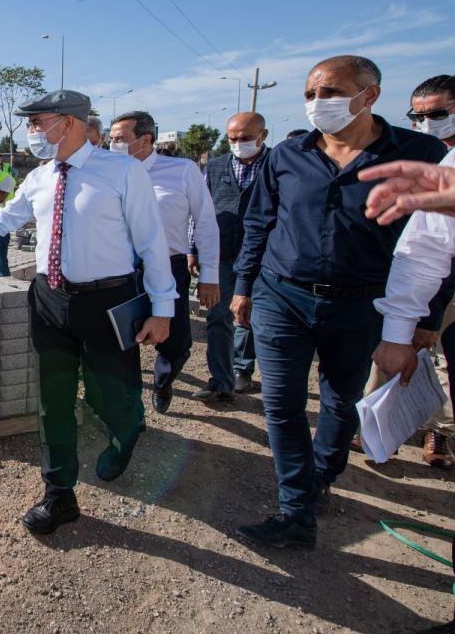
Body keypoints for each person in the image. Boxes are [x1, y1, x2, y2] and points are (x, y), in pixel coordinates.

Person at [0, 90, 176, 537]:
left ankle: (125, 431)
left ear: (70, 123)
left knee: (109, 396)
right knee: (53, 400)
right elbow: (4, 218)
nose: (32, 132)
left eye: (38, 122)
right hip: (49, 301)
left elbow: (152, 244)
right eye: (31, 124)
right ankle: (59, 492)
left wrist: (162, 310)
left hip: (107, 302)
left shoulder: (122, 171)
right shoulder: (40, 177)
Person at [229, 55, 447, 550]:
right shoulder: (286, 156)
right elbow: (259, 224)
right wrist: (244, 287)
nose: (317, 104)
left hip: (363, 304)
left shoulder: (422, 153)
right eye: (309, 95)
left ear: (369, 95)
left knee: (340, 398)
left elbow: (440, 242)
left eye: (329, 92)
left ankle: (323, 474)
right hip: (281, 296)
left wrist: (425, 318)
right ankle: (296, 510)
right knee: (281, 404)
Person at [366, 75, 455, 469]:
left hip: (445, 293)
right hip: (414, 282)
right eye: (418, 115)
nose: (426, 122)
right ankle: (378, 429)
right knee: (391, 357)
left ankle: (440, 430)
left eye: (437, 113)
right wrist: (409, 320)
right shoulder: (428, 156)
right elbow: (425, 246)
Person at [111, 111, 220, 412]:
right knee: (123, 340)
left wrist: (209, 273)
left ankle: (163, 382)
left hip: (170, 267)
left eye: (119, 139)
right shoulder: (111, 172)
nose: (113, 145)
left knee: (176, 343)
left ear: (145, 139)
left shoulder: (182, 171)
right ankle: (131, 407)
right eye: (111, 139)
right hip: (121, 269)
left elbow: (206, 222)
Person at [198, 112, 267, 398]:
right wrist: (195, 250)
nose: (238, 144)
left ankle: (244, 368)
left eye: (246, 138)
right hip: (223, 255)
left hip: (265, 259)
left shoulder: (278, 165)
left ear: (262, 135)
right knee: (218, 316)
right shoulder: (215, 167)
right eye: (232, 139)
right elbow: (200, 213)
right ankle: (222, 381)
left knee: (253, 319)